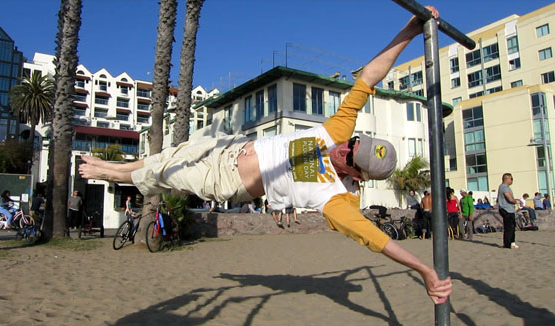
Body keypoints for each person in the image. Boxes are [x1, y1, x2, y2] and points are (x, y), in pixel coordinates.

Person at [79, 7, 451, 304]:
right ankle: (112, 167)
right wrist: (410, 30)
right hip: (228, 147)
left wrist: (424, 270)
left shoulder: (337, 200)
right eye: (353, 141)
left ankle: (107, 172)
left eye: (350, 156)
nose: (343, 147)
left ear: (360, 175)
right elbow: (369, 77)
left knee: (163, 173)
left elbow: (377, 240)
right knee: (167, 155)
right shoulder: (335, 131)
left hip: (226, 182)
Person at [498, 173, 518, 249]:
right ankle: (508, 243)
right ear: (507, 179)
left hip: (507, 209)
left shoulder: (502, 187)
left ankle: (511, 242)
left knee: (510, 227)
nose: (512, 180)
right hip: (507, 209)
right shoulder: (504, 187)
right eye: (511, 179)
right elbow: (510, 198)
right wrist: (517, 201)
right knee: (509, 227)